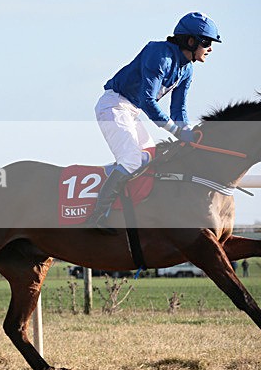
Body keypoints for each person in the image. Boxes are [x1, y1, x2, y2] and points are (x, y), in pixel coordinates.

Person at [88, 12, 221, 232]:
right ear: (190, 41)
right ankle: (97, 216)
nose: (210, 49)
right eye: (206, 42)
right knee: (132, 159)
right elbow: (147, 100)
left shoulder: (187, 69)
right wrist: (175, 132)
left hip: (131, 112)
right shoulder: (158, 54)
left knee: (150, 157)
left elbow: (178, 108)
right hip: (113, 106)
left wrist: (187, 131)